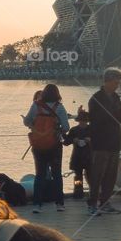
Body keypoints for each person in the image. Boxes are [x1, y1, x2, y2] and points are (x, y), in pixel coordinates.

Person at [23, 82, 70, 213]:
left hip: (38, 146)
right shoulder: (59, 107)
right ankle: (60, 204)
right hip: (54, 145)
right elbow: (66, 128)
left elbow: (27, 121)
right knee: (57, 174)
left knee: (39, 175)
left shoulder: (35, 106)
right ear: (57, 94)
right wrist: (57, 129)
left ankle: (37, 205)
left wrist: (35, 126)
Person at [88, 67, 121, 214]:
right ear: (108, 81)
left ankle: (105, 202)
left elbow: (118, 119)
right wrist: (119, 113)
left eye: (119, 82)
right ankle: (92, 204)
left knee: (111, 175)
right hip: (100, 142)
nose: (118, 84)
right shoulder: (96, 98)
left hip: (114, 141)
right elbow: (99, 119)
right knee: (97, 174)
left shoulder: (116, 98)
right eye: (116, 82)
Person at [64, 108, 91, 200]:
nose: (82, 123)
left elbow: (99, 142)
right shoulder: (73, 130)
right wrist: (73, 140)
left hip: (89, 157)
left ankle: (93, 193)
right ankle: (78, 194)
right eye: (81, 121)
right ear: (78, 121)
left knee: (91, 176)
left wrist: (90, 141)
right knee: (78, 177)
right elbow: (66, 142)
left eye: (84, 121)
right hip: (77, 157)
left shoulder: (92, 130)